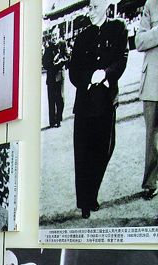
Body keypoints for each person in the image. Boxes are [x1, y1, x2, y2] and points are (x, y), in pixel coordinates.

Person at [69, 0, 128, 219]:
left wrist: (105, 73)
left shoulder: (118, 28)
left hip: (106, 100)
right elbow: (73, 71)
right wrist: (88, 78)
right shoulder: (82, 36)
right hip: (84, 103)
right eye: (89, 7)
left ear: (105, 6)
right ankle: (85, 202)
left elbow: (121, 60)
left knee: (104, 150)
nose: (90, 12)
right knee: (83, 153)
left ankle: (91, 193)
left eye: (94, 7)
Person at [135, 0, 158, 200]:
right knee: (152, 136)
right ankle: (151, 182)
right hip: (153, 83)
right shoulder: (151, 4)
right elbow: (139, 41)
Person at [42, 26, 69, 128]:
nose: (54, 38)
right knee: (51, 99)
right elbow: (44, 63)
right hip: (51, 77)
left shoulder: (63, 44)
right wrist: (51, 63)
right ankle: (52, 121)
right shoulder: (48, 48)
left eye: (55, 35)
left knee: (60, 99)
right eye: (52, 36)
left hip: (60, 75)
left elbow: (67, 57)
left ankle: (58, 119)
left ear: (58, 35)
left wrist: (60, 61)